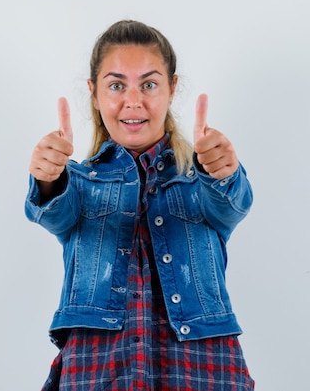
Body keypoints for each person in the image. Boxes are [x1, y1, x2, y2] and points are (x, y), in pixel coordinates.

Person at [25, 20, 255, 391]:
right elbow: (54, 209)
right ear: (94, 94)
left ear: (171, 89)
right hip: (99, 365)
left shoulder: (201, 180)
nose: (133, 101)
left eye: (149, 84)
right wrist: (49, 177)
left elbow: (231, 204)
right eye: (117, 85)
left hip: (200, 365)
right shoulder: (79, 184)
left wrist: (221, 171)